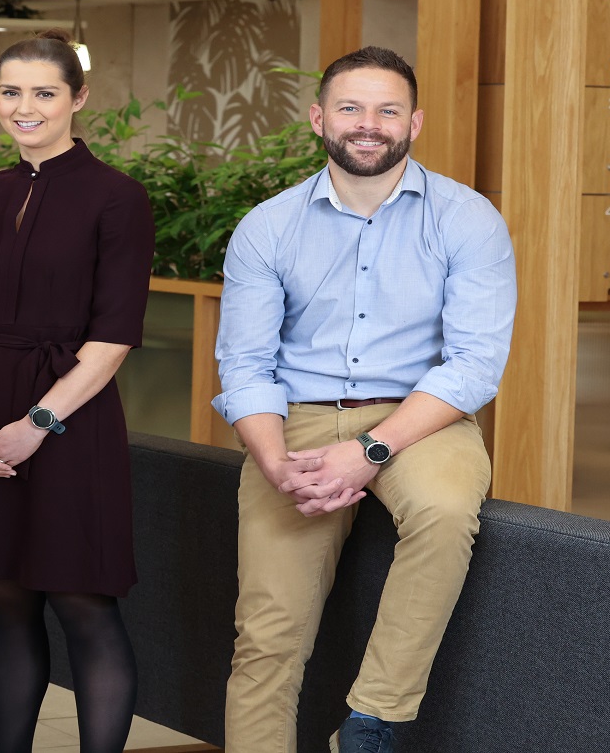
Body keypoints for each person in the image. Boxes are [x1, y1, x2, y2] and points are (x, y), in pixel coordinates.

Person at [214, 46, 517, 753]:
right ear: (319, 118)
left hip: (421, 415)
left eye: (387, 110)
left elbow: (474, 364)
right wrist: (274, 462)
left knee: (445, 511)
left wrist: (371, 449)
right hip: (298, 420)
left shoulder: (467, 219)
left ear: (415, 123)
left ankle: (373, 719)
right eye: (350, 108)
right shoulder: (269, 226)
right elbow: (247, 365)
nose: (368, 124)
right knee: (267, 632)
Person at [0, 29, 155, 752]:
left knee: (81, 599)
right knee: (3, 597)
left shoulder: (118, 198)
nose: (23, 107)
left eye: (43, 93)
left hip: (72, 417)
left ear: (77, 99)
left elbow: (114, 336)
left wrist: (38, 423)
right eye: (10, 92)